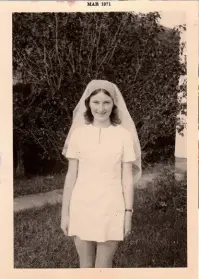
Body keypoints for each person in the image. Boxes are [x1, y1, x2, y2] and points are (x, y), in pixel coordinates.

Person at [61, 80, 142, 268]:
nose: (101, 108)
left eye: (106, 102)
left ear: (114, 104)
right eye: (96, 102)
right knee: (85, 266)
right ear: (88, 103)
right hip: (81, 205)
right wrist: (65, 214)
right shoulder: (79, 134)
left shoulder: (123, 136)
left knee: (104, 267)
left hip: (111, 206)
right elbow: (71, 176)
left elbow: (127, 179)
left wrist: (128, 214)